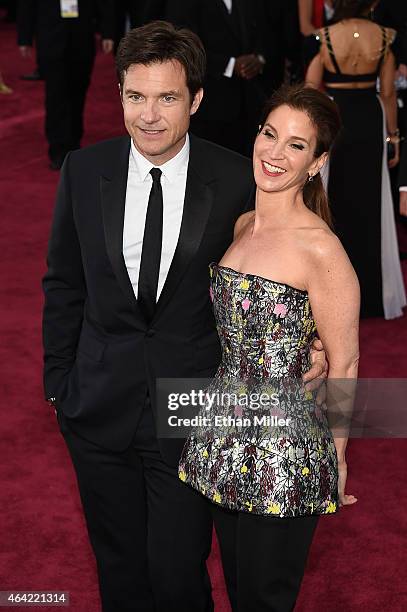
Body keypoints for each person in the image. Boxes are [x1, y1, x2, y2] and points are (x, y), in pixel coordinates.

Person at [41, 20, 328, 612]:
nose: (149, 115)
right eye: (135, 96)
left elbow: (292, 252)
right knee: (118, 570)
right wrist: (58, 386)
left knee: (176, 573)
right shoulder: (82, 171)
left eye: (167, 97)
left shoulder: (232, 180)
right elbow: (63, 284)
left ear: (195, 100)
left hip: (193, 409)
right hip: (95, 405)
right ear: (118, 91)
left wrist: (316, 337)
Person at [179, 84, 359, 612]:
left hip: (285, 454)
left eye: (296, 146)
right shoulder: (239, 226)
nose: (274, 153)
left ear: (317, 162)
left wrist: (340, 457)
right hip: (222, 438)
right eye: (269, 133)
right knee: (237, 590)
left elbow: (345, 360)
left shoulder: (321, 249)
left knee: (264, 599)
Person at [306, 0, 406, 319]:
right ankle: (373, 296)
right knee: (370, 201)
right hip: (369, 117)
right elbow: (388, 93)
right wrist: (393, 137)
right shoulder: (385, 36)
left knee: (333, 199)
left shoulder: (324, 35)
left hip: (335, 117)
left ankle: (332, 293)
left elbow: (310, 87)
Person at [17, 0, 115, 170]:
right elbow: (27, 4)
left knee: (78, 92)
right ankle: (58, 149)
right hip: (51, 37)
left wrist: (108, 32)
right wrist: (24, 37)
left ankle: (74, 142)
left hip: (82, 37)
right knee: (56, 96)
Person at [165, 0, 268, 156]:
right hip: (209, 105)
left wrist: (259, 59)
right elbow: (183, 45)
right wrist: (230, 64)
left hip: (251, 103)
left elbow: (267, 30)